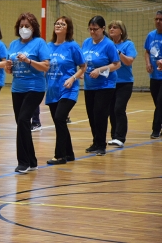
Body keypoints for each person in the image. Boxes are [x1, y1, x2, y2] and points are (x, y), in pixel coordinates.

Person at [4, 12, 50, 173]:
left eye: (27, 26)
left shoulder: (39, 43)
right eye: (21, 26)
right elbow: (9, 70)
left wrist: (29, 61)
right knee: (21, 124)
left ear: (33, 28)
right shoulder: (13, 44)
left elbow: (45, 66)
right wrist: (8, 67)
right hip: (17, 88)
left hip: (35, 88)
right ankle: (32, 161)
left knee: (24, 120)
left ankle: (23, 162)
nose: (24, 29)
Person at [45, 16, 86, 165]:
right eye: (57, 23)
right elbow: (44, 66)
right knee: (59, 122)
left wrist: (73, 78)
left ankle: (60, 155)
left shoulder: (73, 46)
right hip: (52, 90)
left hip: (68, 90)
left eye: (62, 24)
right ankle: (69, 153)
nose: (59, 25)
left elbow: (83, 67)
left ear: (67, 29)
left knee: (60, 118)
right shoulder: (48, 46)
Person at [82, 15, 120, 156]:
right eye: (90, 29)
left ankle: (101, 144)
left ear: (103, 29)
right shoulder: (86, 42)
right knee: (91, 115)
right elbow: (84, 62)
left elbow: (117, 64)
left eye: (95, 29)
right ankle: (95, 142)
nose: (92, 32)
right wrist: (81, 71)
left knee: (100, 113)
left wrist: (101, 69)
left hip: (105, 85)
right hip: (89, 85)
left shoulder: (108, 44)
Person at [107, 20, 137, 147]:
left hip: (124, 83)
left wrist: (118, 52)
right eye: (110, 28)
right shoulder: (107, 45)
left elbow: (129, 61)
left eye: (115, 27)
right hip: (110, 82)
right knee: (111, 110)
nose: (112, 29)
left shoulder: (128, 44)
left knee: (119, 108)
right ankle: (114, 136)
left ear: (121, 31)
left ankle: (120, 137)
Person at [144, 10, 162, 139]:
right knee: (157, 103)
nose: (158, 21)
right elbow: (147, 51)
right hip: (154, 76)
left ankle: (156, 129)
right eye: (156, 19)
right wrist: (148, 63)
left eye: (160, 19)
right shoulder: (151, 35)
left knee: (160, 102)